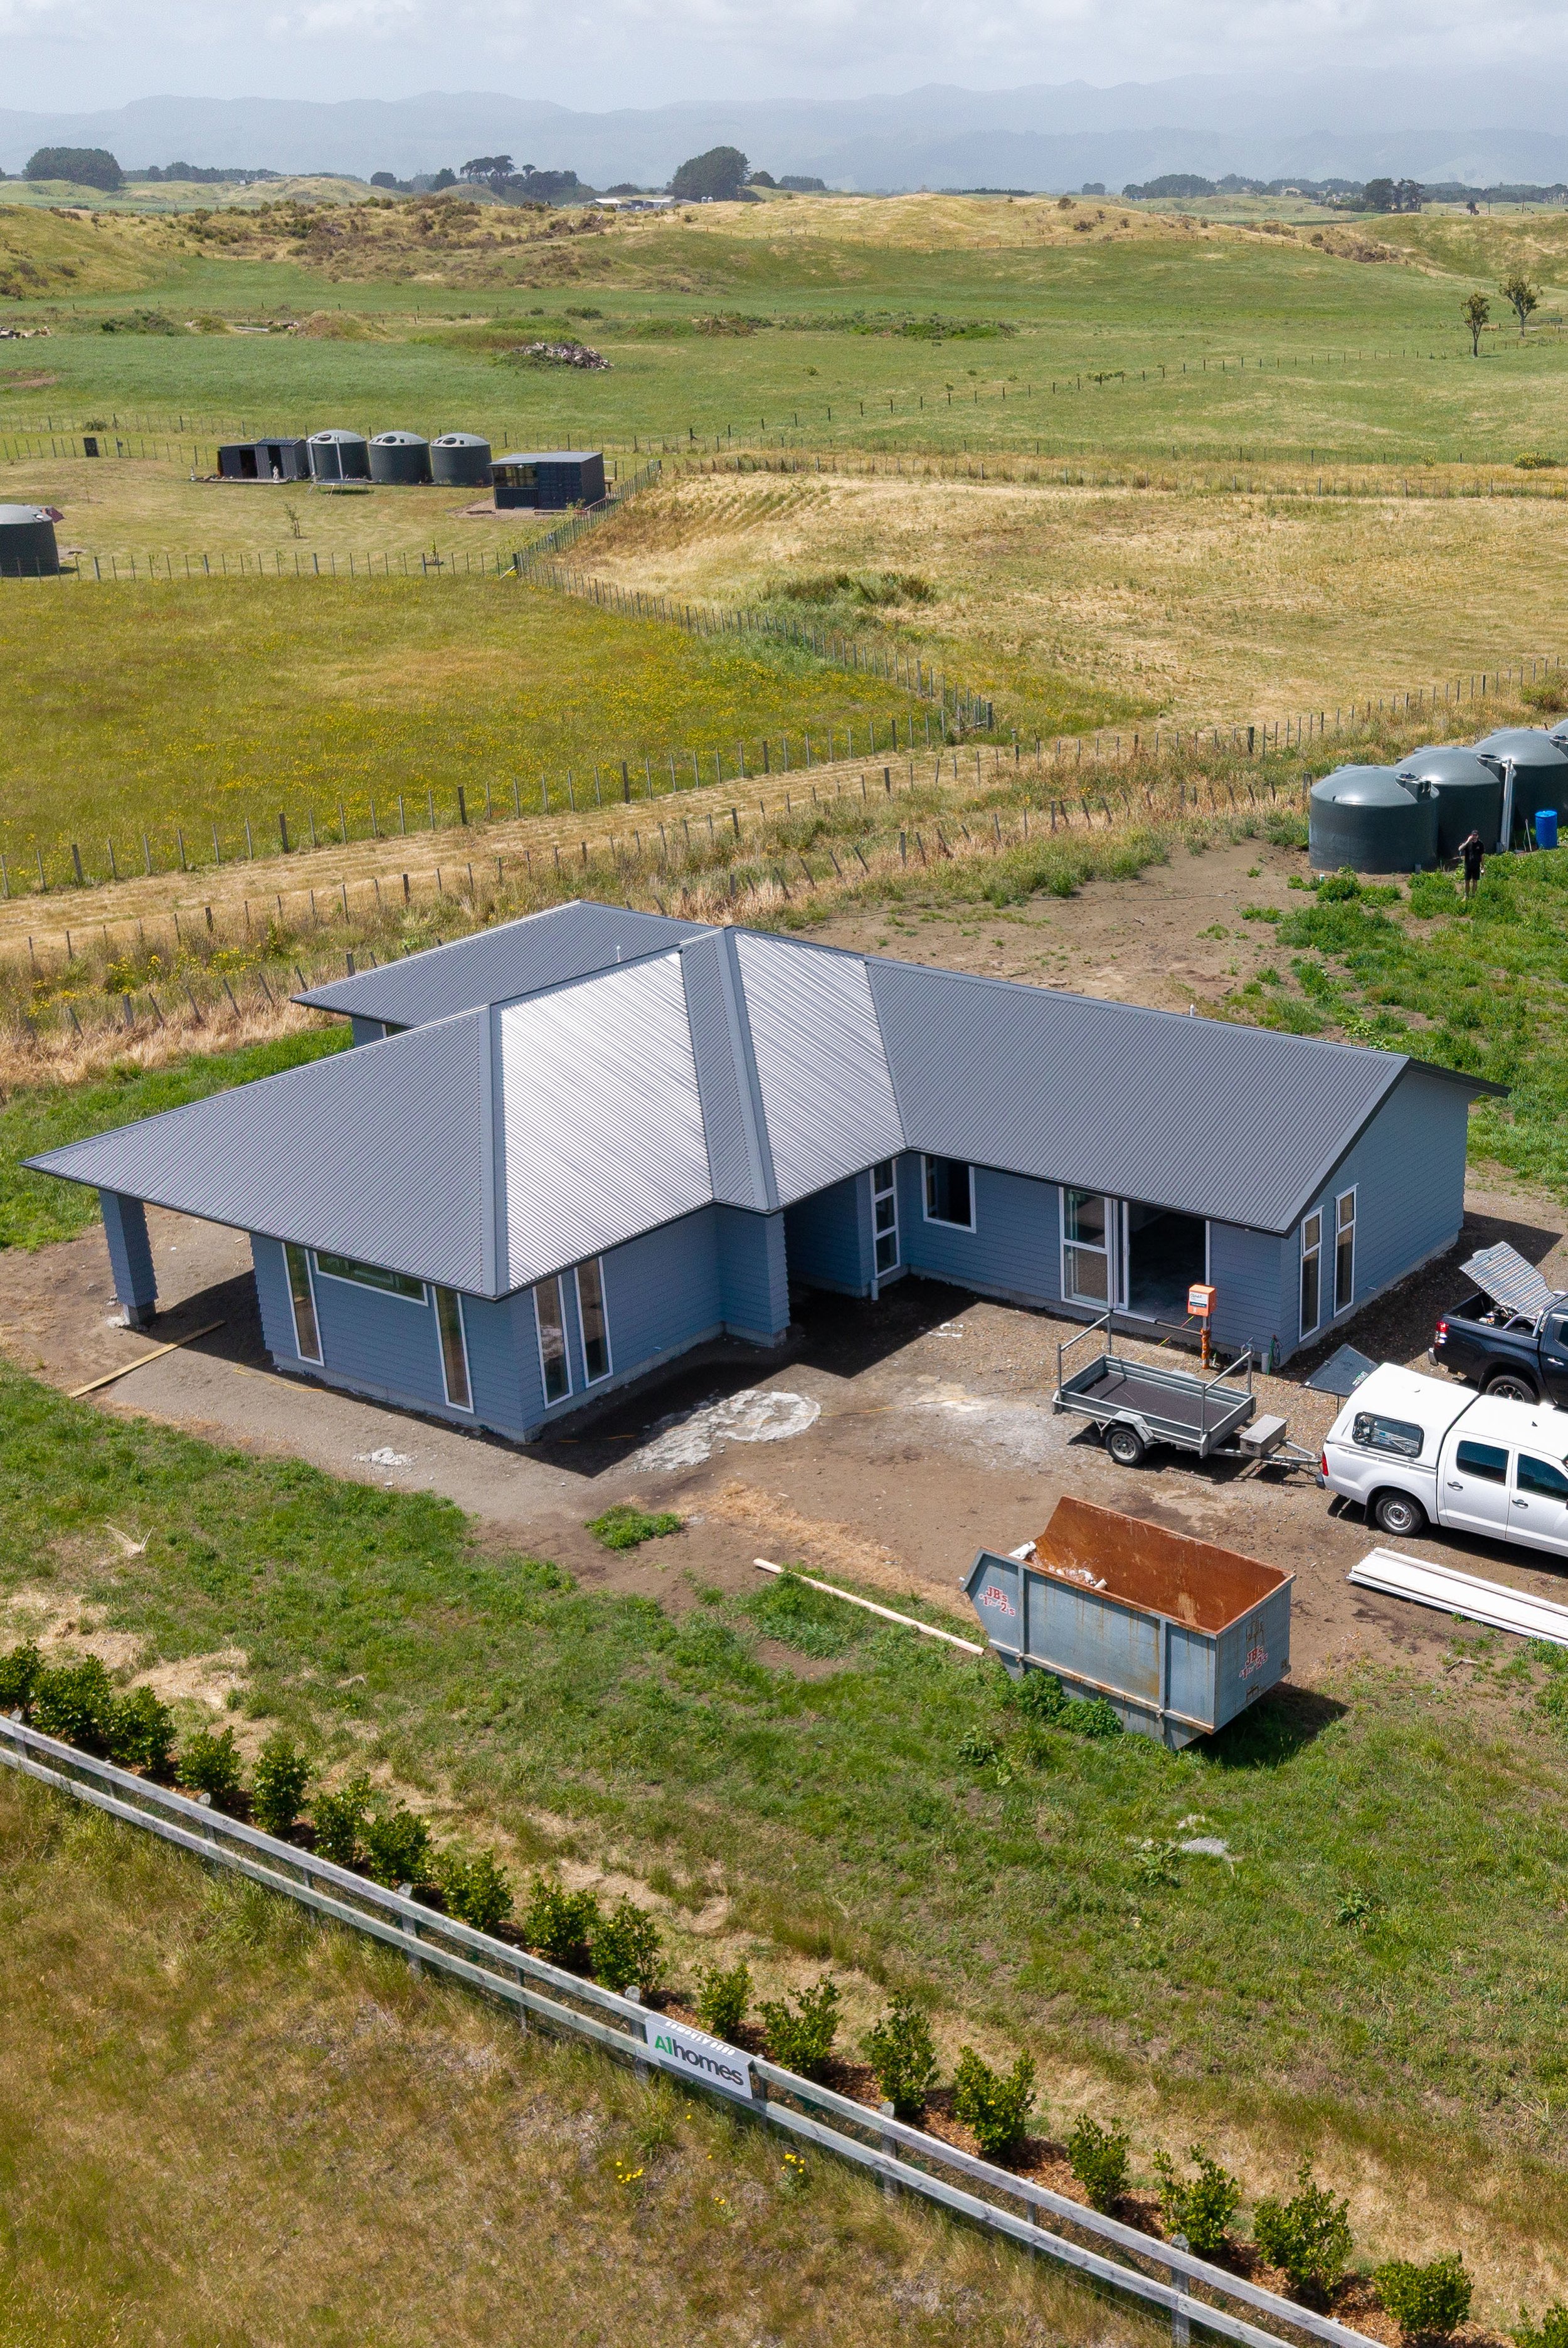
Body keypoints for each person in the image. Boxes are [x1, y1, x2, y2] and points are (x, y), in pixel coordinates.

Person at [1458, 829, 1484, 899]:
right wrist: (1467, 841)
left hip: (1476, 866)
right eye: (1473, 835)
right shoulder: (1468, 843)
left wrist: (1482, 866)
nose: (1474, 837)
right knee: (1467, 881)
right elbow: (1460, 849)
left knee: (1475, 881)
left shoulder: (1480, 844)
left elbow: (1482, 856)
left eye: (1476, 835)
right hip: (1468, 866)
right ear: (1471, 835)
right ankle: (1466, 896)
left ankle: (1473, 896)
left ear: (1478, 836)